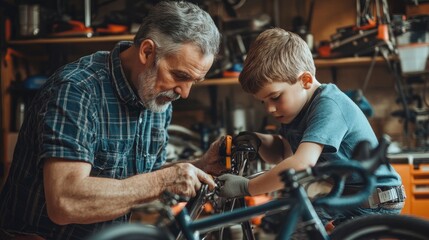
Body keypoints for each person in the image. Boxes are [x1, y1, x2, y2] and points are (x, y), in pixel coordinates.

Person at [0, 1, 223, 239]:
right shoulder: (77, 90)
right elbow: (65, 202)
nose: (185, 92)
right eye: (180, 76)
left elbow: (144, 178)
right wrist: (163, 181)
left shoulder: (157, 97)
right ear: (147, 52)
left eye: (194, 82)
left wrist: (199, 167)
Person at [218, 28, 405, 228]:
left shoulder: (328, 105)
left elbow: (301, 163)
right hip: (347, 195)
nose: (270, 108)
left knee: (292, 226)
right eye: (263, 102)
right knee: (284, 222)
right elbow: (285, 153)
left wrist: (247, 187)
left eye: (275, 97)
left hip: (376, 198)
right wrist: (258, 140)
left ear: (305, 80)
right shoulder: (293, 110)